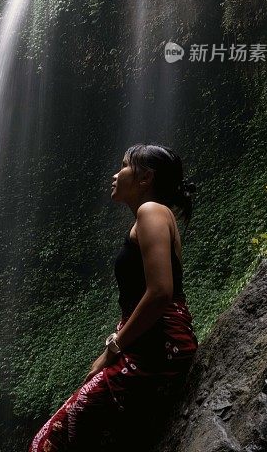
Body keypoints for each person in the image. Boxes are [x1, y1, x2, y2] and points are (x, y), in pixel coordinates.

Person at [28, 143, 198, 451]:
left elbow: (161, 293)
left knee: (50, 441)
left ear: (145, 178)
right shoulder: (156, 215)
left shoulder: (152, 212)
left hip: (157, 349)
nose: (115, 174)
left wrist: (113, 349)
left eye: (123, 165)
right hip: (155, 343)